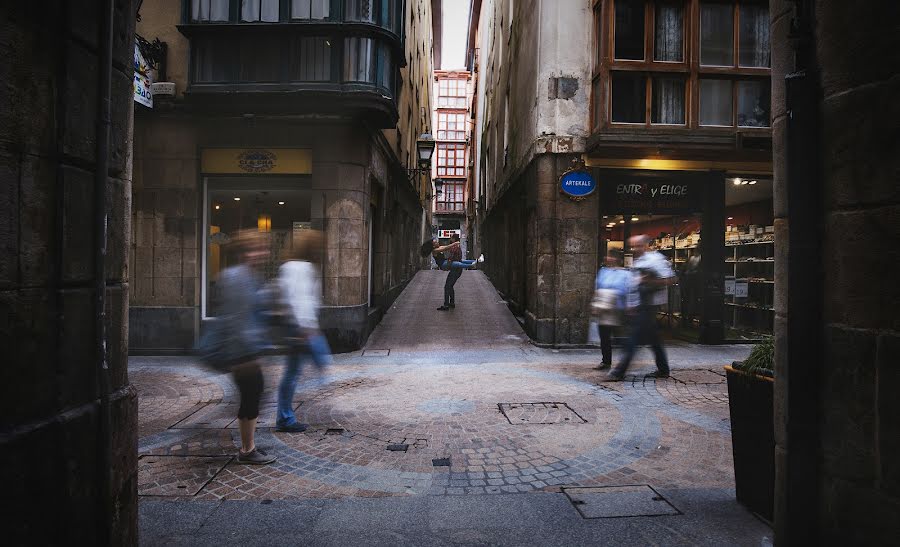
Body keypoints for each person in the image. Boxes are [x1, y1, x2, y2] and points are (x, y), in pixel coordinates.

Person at [214, 230, 277, 464]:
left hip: (246, 350)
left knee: (253, 395)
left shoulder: (249, 276)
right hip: (242, 352)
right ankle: (247, 450)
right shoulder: (238, 278)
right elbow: (238, 319)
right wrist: (248, 355)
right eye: (257, 248)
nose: (263, 253)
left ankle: (248, 447)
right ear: (244, 253)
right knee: (252, 395)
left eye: (264, 248)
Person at [274, 230, 332, 433]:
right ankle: (284, 417)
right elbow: (298, 299)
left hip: (300, 325)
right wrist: (305, 328)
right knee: (294, 372)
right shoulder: (301, 268)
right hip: (300, 326)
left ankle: (284, 415)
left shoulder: (293, 266)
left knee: (295, 371)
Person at [604, 235, 675, 381]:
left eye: (638, 246)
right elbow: (634, 286)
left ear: (646, 245)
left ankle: (619, 371)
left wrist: (648, 280)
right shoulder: (638, 262)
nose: (635, 249)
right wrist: (631, 304)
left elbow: (670, 279)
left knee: (633, 338)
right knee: (654, 339)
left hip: (650, 305)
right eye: (633, 246)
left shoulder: (656, 259)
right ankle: (663, 369)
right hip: (640, 304)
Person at [419, 236, 484, 311]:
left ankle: (477, 260)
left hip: (446, 262)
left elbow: (446, 247)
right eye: (435, 242)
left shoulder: (439, 247)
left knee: (460, 262)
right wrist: (454, 243)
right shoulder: (435, 250)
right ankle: (471, 265)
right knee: (457, 264)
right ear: (433, 246)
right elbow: (446, 248)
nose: (437, 242)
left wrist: (455, 246)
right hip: (443, 264)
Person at [593, 250, 632, 369]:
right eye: (608, 256)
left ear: (617, 259)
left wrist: (629, 306)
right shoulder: (603, 271)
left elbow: (629, 290)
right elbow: (597, 286)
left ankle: (624, 363)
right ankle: (606, 361)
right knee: (604, 336)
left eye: (611, 256)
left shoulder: (625, 274)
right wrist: (596, 303)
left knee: (620, 338)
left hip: (618, 309)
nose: (608, 259)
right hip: (604, 309)